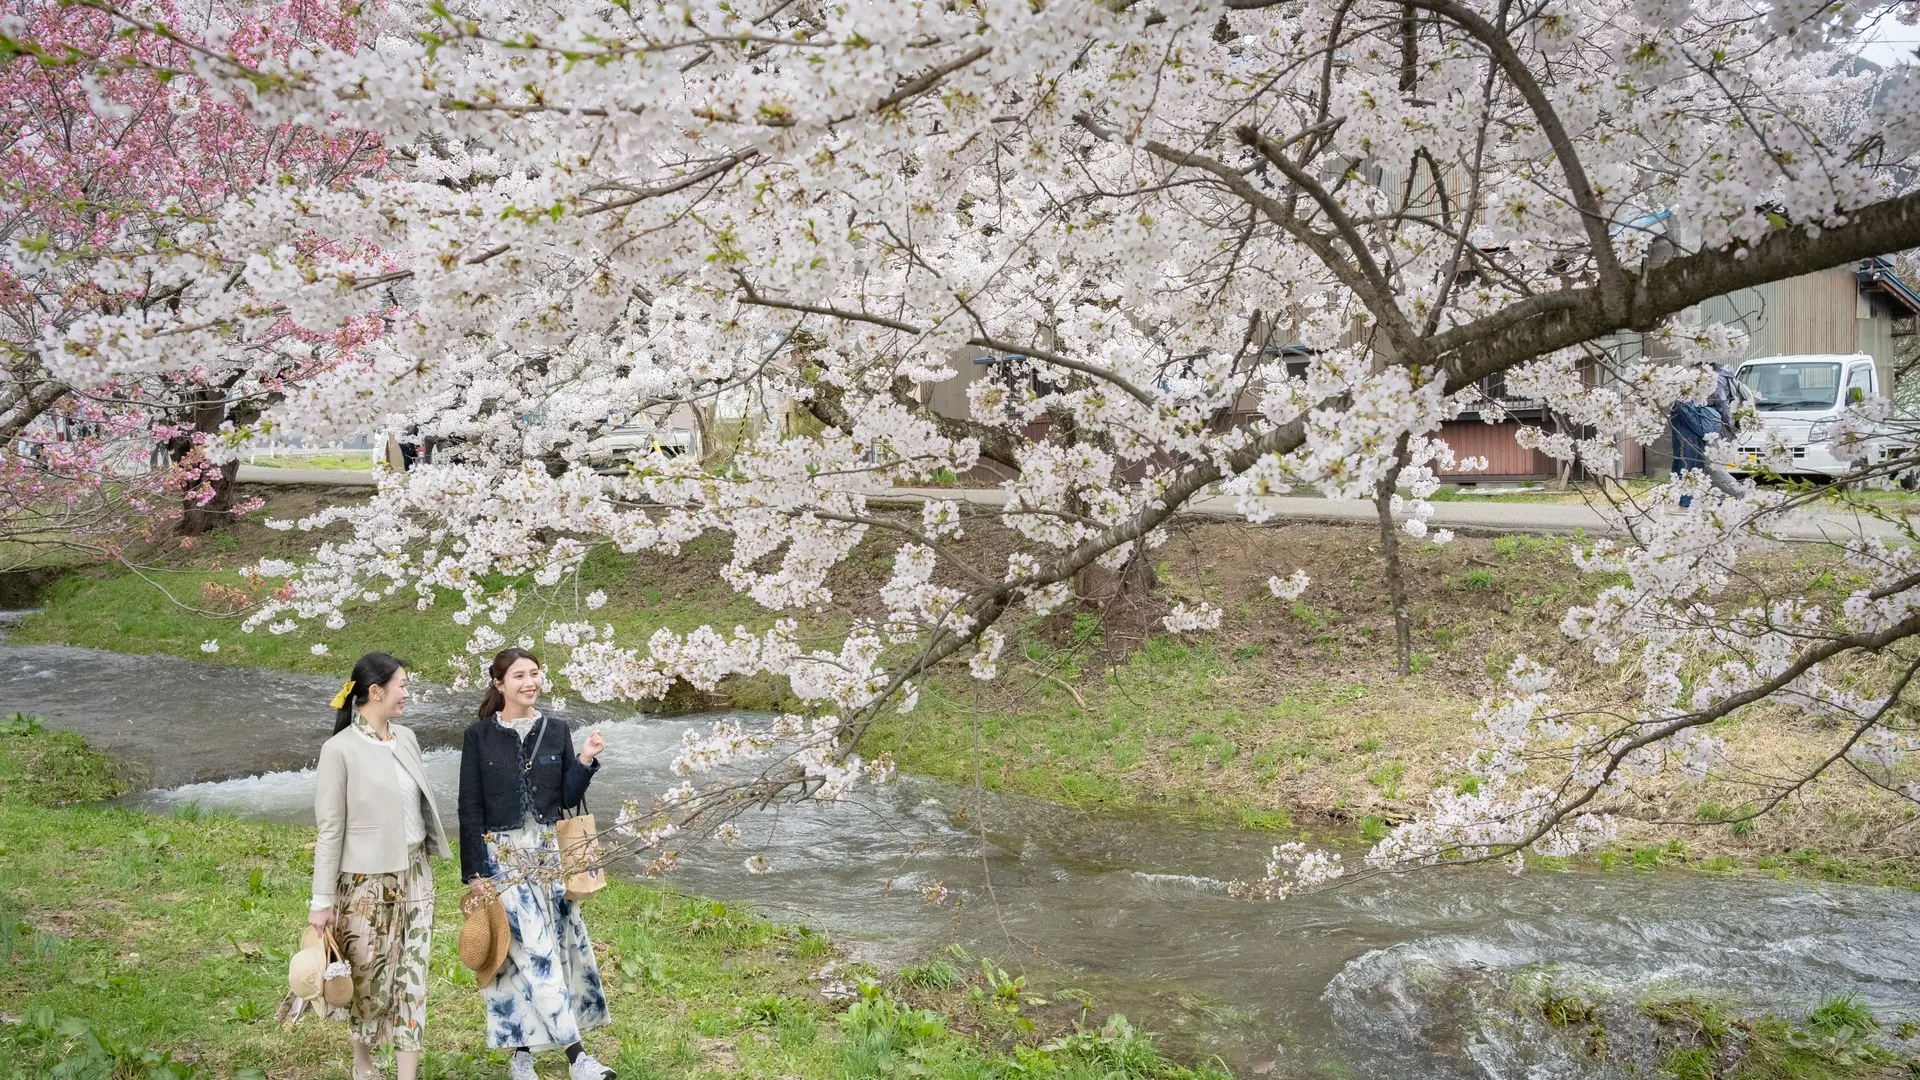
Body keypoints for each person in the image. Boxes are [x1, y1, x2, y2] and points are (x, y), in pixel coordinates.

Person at [459, 647, 614, 1080]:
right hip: (502, 858)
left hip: (549, 857)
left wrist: (584, 759)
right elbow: (469, 806)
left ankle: (520, 1054)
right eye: (519, 676)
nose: (530, 682)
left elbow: (565, 799)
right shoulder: (479, 737)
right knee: (532, 953)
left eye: (535, 674)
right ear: (499, 683)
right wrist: (475, 873)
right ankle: (578, 1058)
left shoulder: (556, 729)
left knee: (547, 951)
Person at [309, 653, 451, 1080]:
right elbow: (330, 830)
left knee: (412, 977)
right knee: (368, 977)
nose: (408, 693)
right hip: (365, 883)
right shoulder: (338, 750)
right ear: (376, 692)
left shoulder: (407, 738)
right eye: (402, 686)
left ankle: (407, 1075)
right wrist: (321, 900)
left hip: (416, 874)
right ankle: (363, 1064)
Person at [1670, 361, 1745, 508]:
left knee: (1697, 469)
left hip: (1689, 440)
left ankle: (1738, 492)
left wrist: (1703, 433)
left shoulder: (1681, 400)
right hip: (1695, 438)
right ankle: (1716, 498)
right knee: (1698, 470)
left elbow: (1692, 420)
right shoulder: (1692, 395)